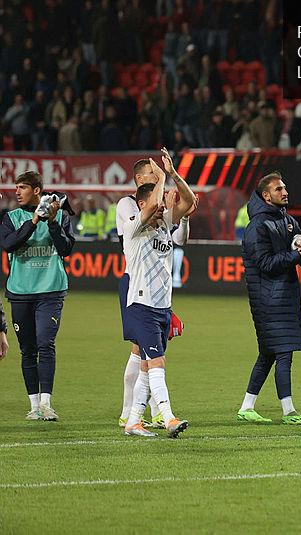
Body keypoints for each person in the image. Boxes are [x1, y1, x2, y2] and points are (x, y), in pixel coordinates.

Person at [122, 153, 196, 438]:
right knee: (157, 363)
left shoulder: (164, 223)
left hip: (163, 306)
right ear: (142, 204)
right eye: (155, 202)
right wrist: (161, 178)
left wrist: (174, 174)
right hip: (142, 305)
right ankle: (168, 417)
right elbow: (154, 201)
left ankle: (134, 421)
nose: (161, 206)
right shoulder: (134, 227)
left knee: (145, 365)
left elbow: (188, 204)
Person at [237, 172, 301, 425]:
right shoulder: (257, 226)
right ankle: (289, 410)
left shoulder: (288, 221)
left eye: (285, 187)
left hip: (284, 296)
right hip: (267, 298)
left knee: (268, 353)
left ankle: (247, 406)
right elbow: (265, 264)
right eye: (279, 189)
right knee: (284, 352)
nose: (285, 192)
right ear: (266, 195)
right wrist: (295, 257)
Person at [0, 171, 75, 420]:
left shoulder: (61, 215)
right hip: (21, 292)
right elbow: (9, 244)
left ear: (37, 190)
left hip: (50, 291)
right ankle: (33, 405)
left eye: (22, 187)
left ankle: (46, 403)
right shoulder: (11, 218)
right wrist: (33, 221)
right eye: (16, 187)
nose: (17, 192)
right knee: (28, 349)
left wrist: (51, 222)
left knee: (46, 344)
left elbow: (65, 249)